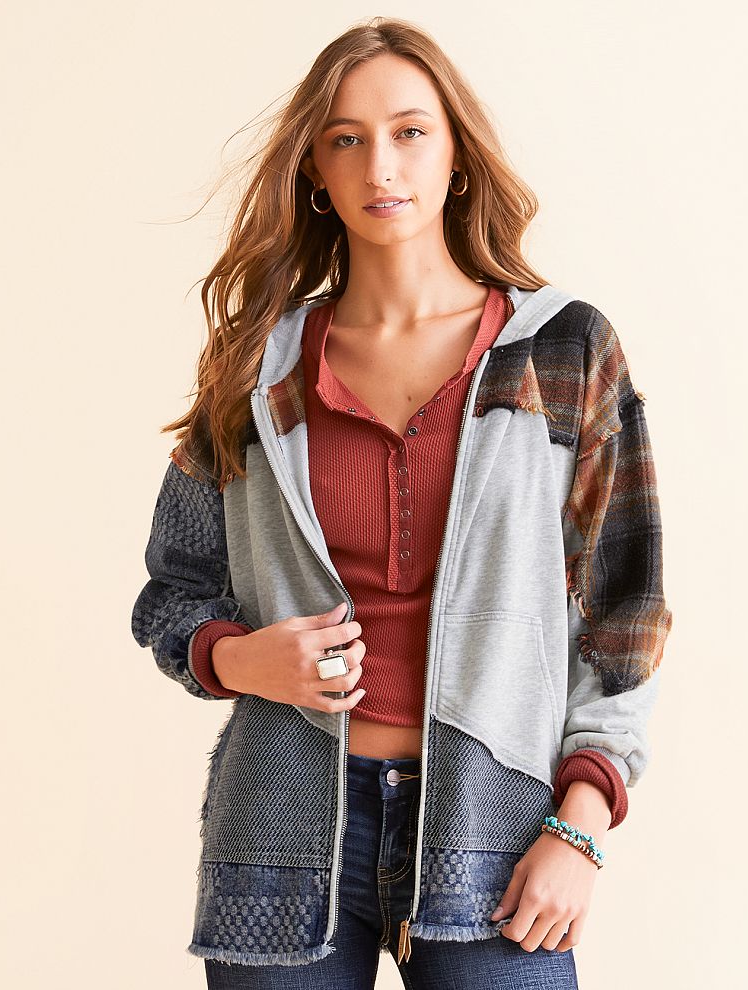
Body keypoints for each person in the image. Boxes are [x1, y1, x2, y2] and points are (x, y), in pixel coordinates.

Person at [130, 16, 673, 990]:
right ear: (314, 170)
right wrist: (238, 658)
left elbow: (624, 608)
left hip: (496, 828)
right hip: (281, 829)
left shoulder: (562, 349)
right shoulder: (256, 365)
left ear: (455, 154)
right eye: (345, 139)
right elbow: (173, 591)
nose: (380, 165)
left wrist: (580, 825)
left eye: (409, 131)